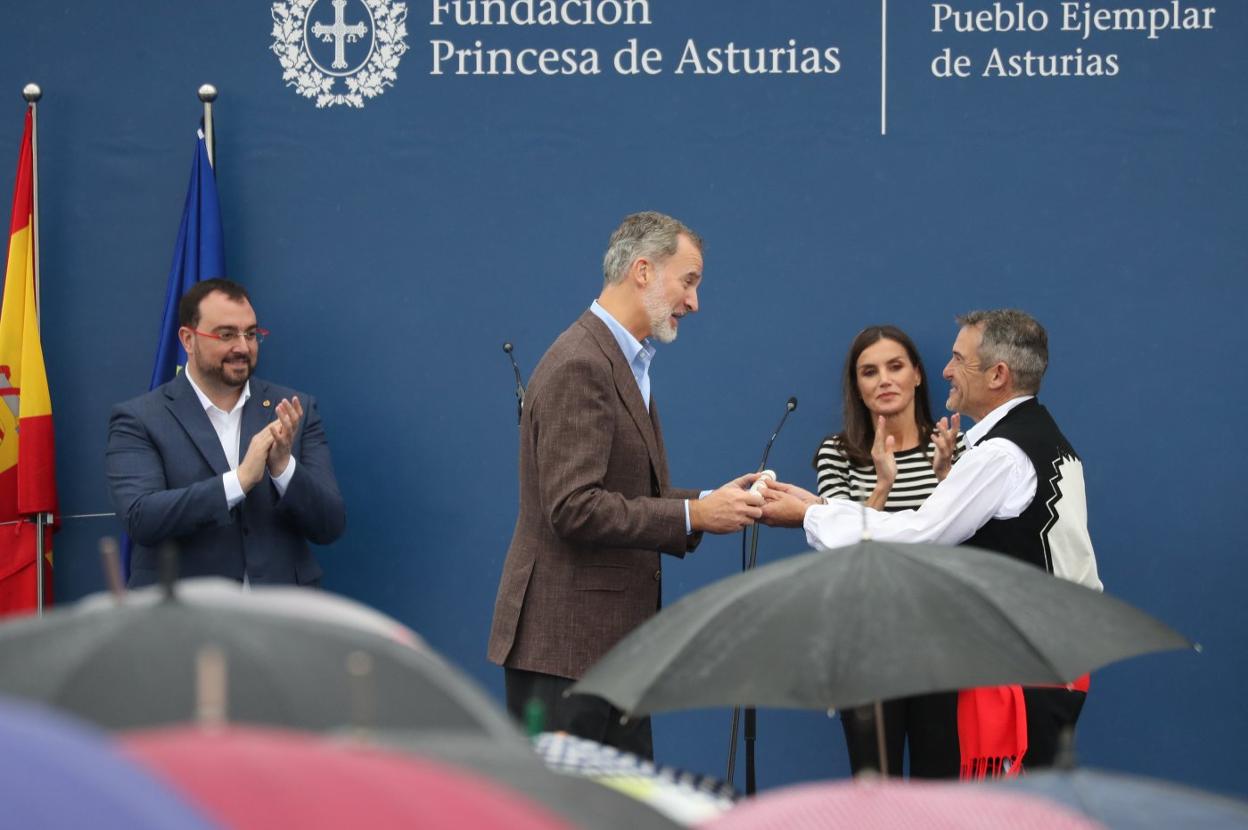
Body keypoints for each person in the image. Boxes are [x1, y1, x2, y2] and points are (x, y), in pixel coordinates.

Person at [763, 309, 1100, 774]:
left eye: (959, 359)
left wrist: (810, 512)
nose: (946, 370)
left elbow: (920, 535)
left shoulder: (1001, 454)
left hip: (1023, 675)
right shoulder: (1045, 440)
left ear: (998, 375)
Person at [487, 212, 764, 759]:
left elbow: (620, 490)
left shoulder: (619, 359)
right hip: (566, 652)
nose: (694, 302)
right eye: (689, 281)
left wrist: (710, 502)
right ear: (643, 271)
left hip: (605, 653)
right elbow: (573, 508)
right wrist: (693, 518)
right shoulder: (582, 363)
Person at [106, 278, 346, 587]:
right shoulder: (139, 419)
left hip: (279, 619)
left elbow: (329, 525)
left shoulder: (293, 410)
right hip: (187, 618)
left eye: (251, 333)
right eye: (227, 335)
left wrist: (284, 468)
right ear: (188, 340)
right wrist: (240, 480)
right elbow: (142, 518)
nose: (242, 347)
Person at [812, 325, 965, 778]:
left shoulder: (954, 447)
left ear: (917, 375)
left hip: (940, 641)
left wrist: (945, 478)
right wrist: (882, 485)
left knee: (938, 790)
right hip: (867, 642)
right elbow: (840, 552)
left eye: (895, 366)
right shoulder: (836, 454)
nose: (884, 380)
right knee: (874, 789)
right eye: (869, 371)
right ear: (856, 387)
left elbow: (962, 543)